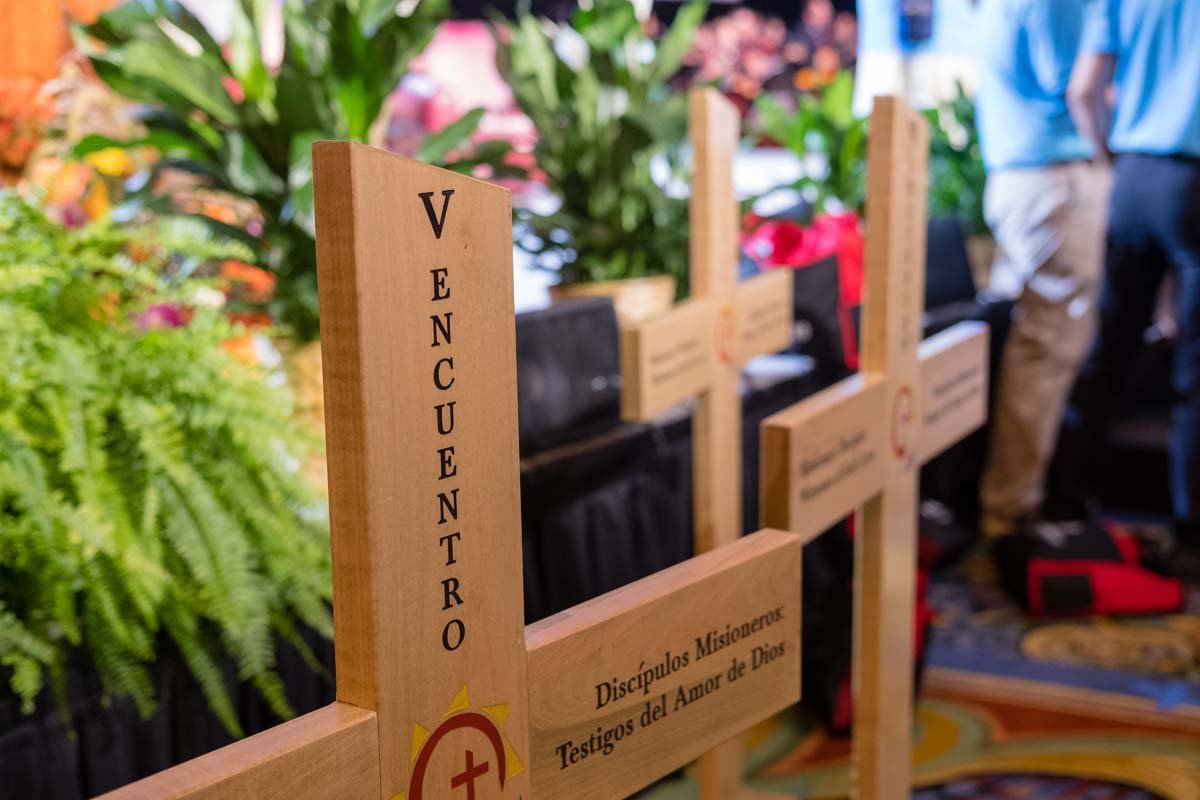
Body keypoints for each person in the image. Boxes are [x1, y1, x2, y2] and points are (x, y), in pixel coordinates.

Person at [1062, 0, 1200, 557]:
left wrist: (1110, 161)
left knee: (1108, 350)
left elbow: (1082, 90)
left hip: (1134, 176)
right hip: (1194, 179)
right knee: (1195, 371)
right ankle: (1190, 532)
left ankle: (1064, 496)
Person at [972, 0, 1110, 540]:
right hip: (1056, 181)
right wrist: (1113, 159)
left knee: (1035, 348)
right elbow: (1082, 89)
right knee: (1048, 352)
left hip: (1022, 179)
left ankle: (1013, 506)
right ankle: (1011, 515)